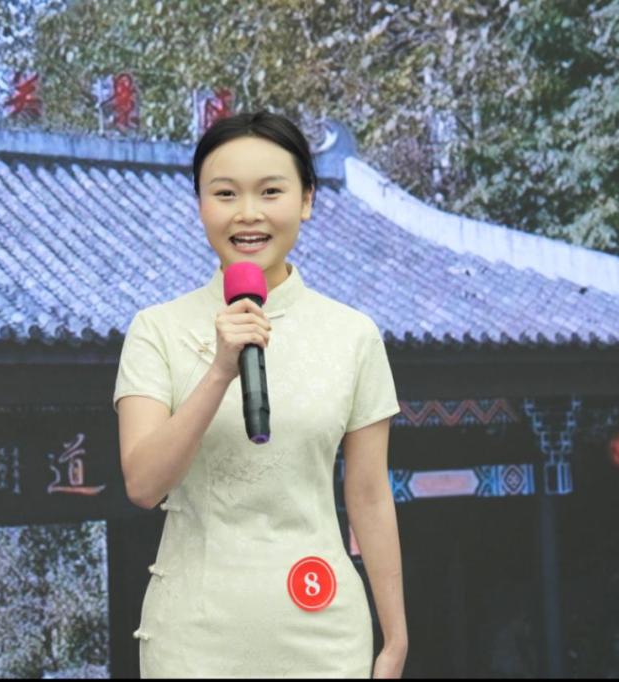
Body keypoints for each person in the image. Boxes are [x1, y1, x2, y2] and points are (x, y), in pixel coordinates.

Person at [113, 110, 408, 678]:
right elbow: (143, 485)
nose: (248, 213)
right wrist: (219, 371)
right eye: (225, 193)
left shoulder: (353, 335)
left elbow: (370, 495)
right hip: (193, 639)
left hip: (324, 631)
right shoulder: (157, 330)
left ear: (306, 200)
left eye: (271, 191)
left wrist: (394, 640)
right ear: (201, 204)